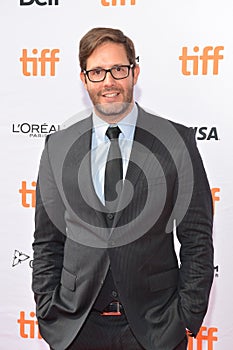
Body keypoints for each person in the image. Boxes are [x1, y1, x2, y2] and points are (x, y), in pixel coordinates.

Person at [32, 27, 214, 350]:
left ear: (135, 72)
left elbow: (197, 237)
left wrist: (186, 317)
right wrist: (48, 310)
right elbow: (48, 240)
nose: (109, 82)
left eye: (118, 69)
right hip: (76, 329)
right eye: (97, 72)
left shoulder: (177, 142)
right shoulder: (58, 147)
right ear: (84, 79)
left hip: (156, 329)